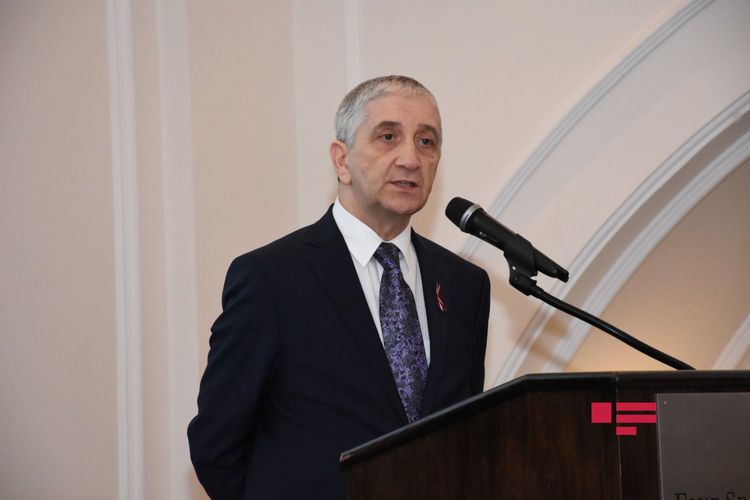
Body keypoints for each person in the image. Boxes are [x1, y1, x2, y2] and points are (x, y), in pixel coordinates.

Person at [187, 75, 490, 500]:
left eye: (426, 141)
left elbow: (467, 436)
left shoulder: (464, 284)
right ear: (341, 160)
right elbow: (217, 445)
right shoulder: (272, 277)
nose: (410, 158)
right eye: (388, 136)